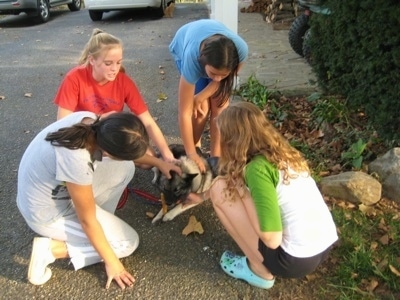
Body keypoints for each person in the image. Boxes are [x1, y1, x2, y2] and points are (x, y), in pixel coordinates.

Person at [206, 101, 338, 289]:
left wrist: (243, 193)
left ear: (232, 142)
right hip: (322, 245)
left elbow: (271, 239)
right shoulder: (283, 153)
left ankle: (260, 272)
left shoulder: (256, 169)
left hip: (293, 261)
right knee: (234, 188)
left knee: (219, 188)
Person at [17, 111, 149, 289]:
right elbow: (87, 221)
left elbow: (123, 157)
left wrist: (162, 164)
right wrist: (113, 263)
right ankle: (50, 250)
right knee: (127, 242)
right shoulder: (76, 161)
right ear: (109, 152)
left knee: (125, 168)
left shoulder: (91, 121)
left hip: (44, 193)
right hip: (45, 214)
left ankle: (99, 228)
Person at [53, 28, 179, 178]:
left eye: (118, 62)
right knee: (93, 159)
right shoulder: (74, 78)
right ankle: (99, 168)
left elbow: (148, 121)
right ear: (92, 60)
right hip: (83, 133)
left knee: (146, 160)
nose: (114, 69)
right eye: (108, 63)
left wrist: (167, 154)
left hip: (110, 134)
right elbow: (62, 123)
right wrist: (99, 118)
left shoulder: (124, 81)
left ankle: (110, 163)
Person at [169, 19, 248, 173]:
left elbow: (219, 81)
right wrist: (191, 153)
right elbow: (184, 113)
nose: (218, 78)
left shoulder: (241, 51)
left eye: (223, 74)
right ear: (202, 63)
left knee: (220, 109)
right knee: (200, 111)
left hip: (213, 49)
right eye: (213, 73)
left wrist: (202, 95)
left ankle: (216, 157)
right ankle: (194, 149)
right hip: (183, 41)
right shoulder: (192, 58)